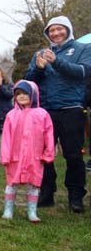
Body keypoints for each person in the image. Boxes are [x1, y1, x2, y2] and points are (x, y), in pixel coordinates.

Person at [24, 16, 91, 213]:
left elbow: (82, 72)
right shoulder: (41, 53)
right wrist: (38, 68)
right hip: (45, 110)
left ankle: (75, 196)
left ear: (68, 30)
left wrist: (57, 61)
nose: (55, 33)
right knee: (44, 155)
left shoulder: (82, 49)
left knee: (73, 155)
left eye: (59, 29)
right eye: (51, 30)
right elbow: (29, 82)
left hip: (72, 109)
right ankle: (46, 192)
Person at [0, 80, 54, 222]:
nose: (22, 96)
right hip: (15, 157)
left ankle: (32, 212)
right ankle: (8, 210)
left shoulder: (42, 114)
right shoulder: (11, 115)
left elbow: (49, 135)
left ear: (34, 95)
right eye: (18, 94)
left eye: (25, 93)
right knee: (11, 183)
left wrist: (48, 154)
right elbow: (6, 137)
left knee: (34, 184)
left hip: (34, 157)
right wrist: (5, 156)